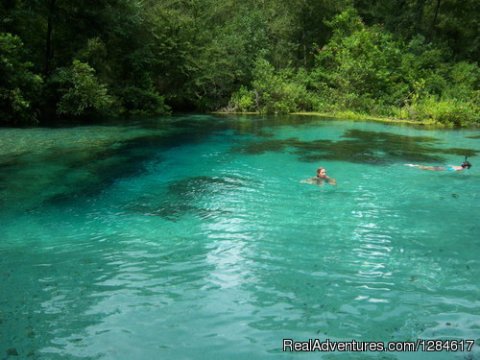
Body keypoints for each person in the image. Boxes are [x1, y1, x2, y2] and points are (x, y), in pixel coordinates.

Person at [405, 160, 472, 172]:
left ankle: (414, 165)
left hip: (445, 167)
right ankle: (413, 166)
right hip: (443, 169)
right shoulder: (461, 169)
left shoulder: (459, 166)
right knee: (426, 169)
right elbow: (458, 170)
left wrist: (465, 164)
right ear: (465, 166)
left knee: (427, 167)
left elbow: (451, 165)